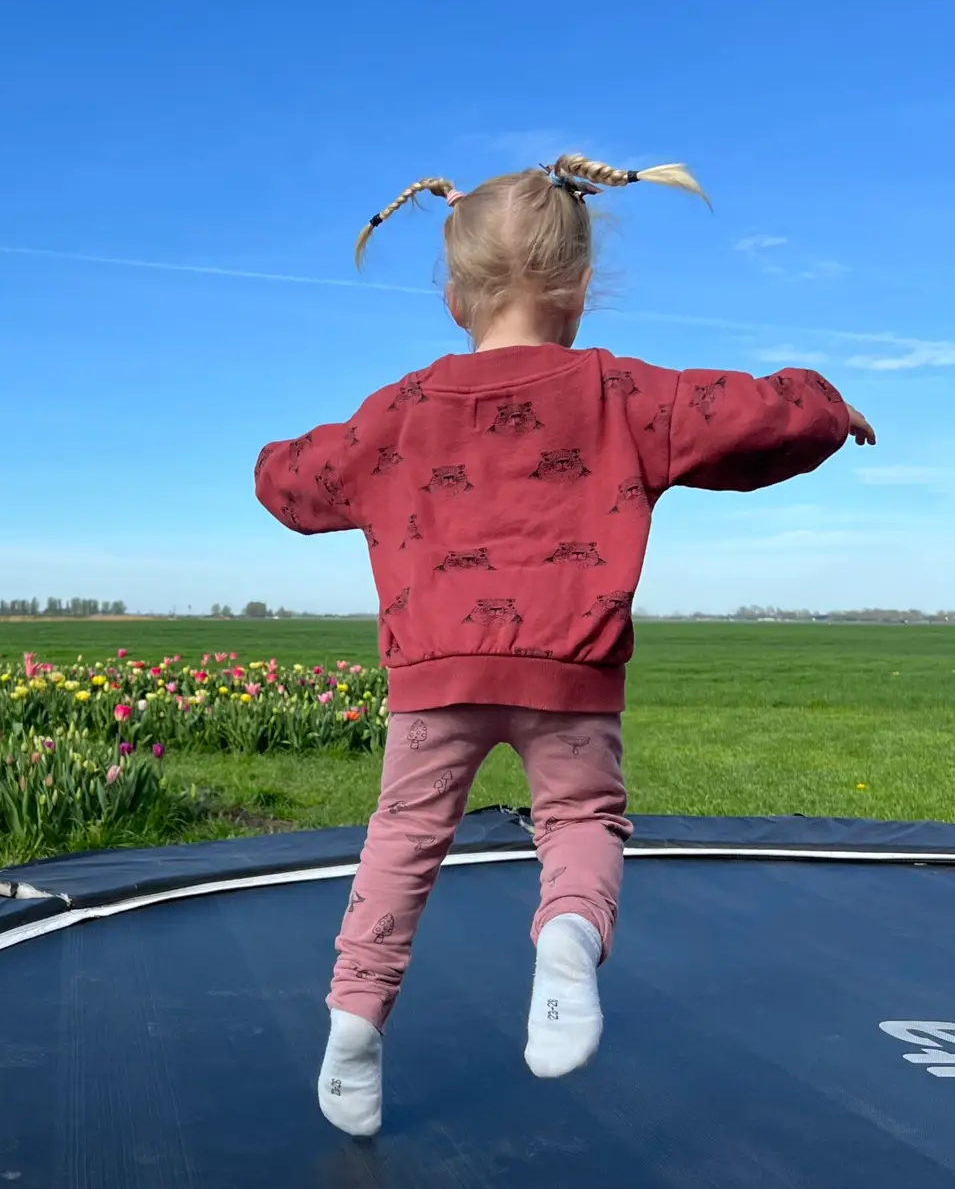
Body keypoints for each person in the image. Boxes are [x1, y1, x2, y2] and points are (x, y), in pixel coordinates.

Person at [254, 153, 876, 1137]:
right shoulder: (626, 393)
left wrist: (270, 463)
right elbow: (759, 418)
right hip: (572, 673)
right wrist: (829, 407)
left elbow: (294, 481)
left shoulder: (398, 414)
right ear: (582, 287)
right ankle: (570, 939)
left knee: (404, 840)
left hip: (434, 679)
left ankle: (353, 1022)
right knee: (580, 817)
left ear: (454, 297)